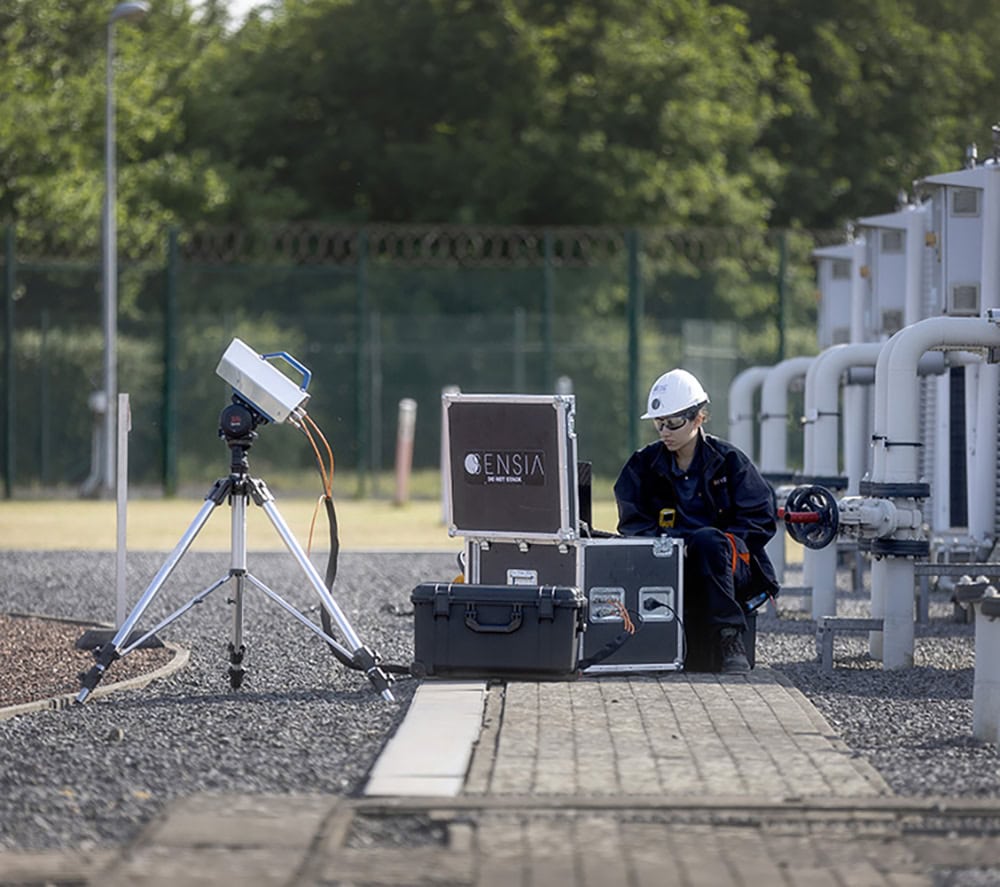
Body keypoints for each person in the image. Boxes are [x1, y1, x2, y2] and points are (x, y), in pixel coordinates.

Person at [614, 368, 779, 674]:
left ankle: (730, 640)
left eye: (674, 422)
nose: (665, 431)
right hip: (667, 563)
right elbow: (632, 521)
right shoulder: (642, 465)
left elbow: (760, 517)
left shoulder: (731, 462)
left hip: (727, 569)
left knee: (708, 541)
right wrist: (672, 547)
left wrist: (725, 545)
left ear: (699, 418)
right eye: (659, 423)